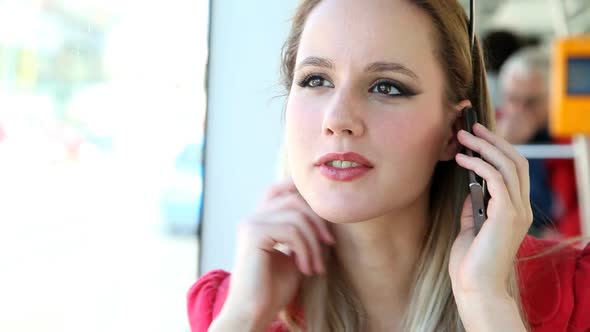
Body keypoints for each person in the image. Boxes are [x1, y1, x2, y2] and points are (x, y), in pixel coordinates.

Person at [188, 1, 590, 331]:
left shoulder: (573, 295)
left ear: (455, 132)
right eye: (315, 80)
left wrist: (487, 304)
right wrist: (242, 319)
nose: (337, 117)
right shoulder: (234, 306)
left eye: (386, 87)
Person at [497, 47, 581, 239]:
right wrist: (503, 145)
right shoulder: (490, 130)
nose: (519, 110)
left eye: (531, 102)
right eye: (512, 99)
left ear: (554, 98)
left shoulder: (572, 138)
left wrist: (565, 237)